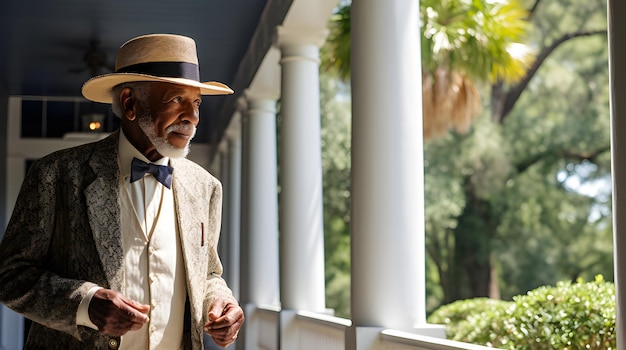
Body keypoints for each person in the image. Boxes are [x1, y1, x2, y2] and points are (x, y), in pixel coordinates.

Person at [0, 33, 244, 349]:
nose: (193, 117)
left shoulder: (206, 188)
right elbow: (10, 276)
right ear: (130, 103)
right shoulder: (56, 174)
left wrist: (222, 301)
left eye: (196, 102)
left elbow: (207, 273)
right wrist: (85, 304)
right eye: (176, 100)